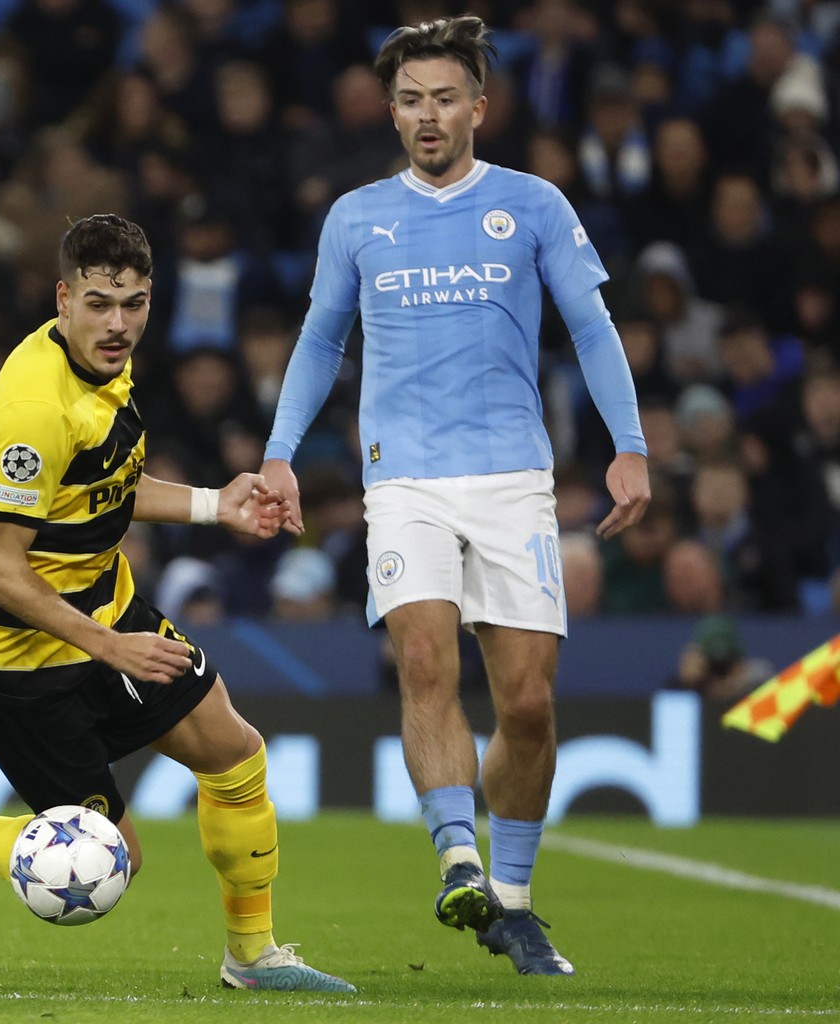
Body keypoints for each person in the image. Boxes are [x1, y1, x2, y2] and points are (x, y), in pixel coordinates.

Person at [260, 17, 651, 977]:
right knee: (427, 664)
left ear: (479, 106)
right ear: (391, 113)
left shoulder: (533, 204)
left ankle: (511, 901)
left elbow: (592, 328)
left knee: (527, 704)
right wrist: (279, 455)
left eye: (443, 98)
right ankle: (458, 860)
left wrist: (630, 446)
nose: (426, 115)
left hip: (514, 477)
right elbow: (320, 341)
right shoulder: (356, 217)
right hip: (403, 479)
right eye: (409, 100)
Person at [0, 214, 354, 993]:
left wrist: (214, 505)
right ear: (62, 299)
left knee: (235, 752)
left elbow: (103, 484)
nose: (117, 324)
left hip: (108, 612)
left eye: (133, 304)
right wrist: (109, 647)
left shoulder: (107, 366)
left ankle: (253, 957)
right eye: (99, 304)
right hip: (17, 663)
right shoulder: (30, 409)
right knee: (107, 865)